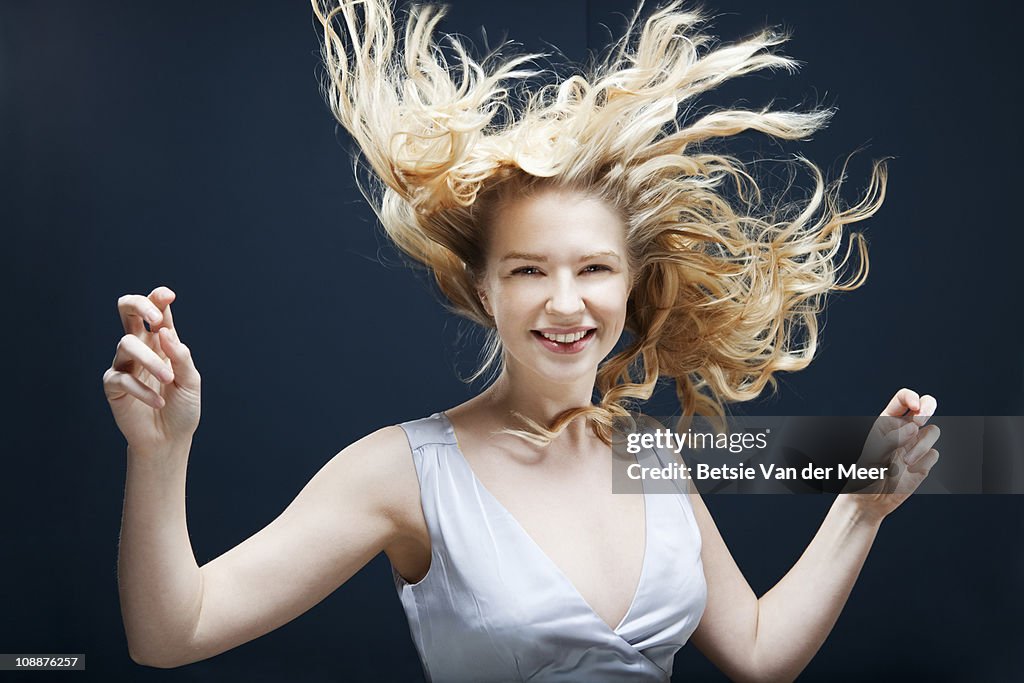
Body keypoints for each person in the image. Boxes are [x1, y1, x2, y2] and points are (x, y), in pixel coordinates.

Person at [106, 1, 941, 680]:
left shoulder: (647, 455)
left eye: (595, 270)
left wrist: (861, 505)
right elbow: (171, 633)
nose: (567, 303)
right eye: (529, 271)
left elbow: (758, 653)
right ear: (482, 286)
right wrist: (161, 448)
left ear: (631, 284)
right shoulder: (403, 471)